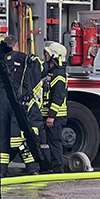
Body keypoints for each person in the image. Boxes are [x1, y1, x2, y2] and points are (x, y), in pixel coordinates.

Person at [0, 35, 40, 176]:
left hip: (2, 100)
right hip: (17, 99)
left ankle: (2, 169)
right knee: (22, 135)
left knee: (3, 135)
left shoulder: (0, 59)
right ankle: (32, 167)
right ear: (16, 45)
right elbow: (35, 75)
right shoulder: (24, 58)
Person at [42, 42, 68, 173]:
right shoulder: (51, 72)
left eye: (48, 53)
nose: (45, 54)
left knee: (54, 141)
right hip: (48, 114)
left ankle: (57, 168)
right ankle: (50, 166)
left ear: (54, 56)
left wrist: (52, 116)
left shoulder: (59, 75)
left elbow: (58, 97)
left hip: (56, 116)